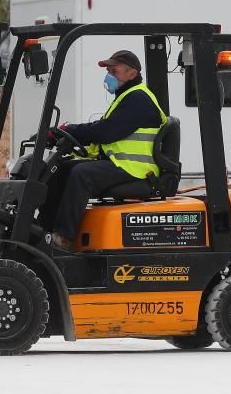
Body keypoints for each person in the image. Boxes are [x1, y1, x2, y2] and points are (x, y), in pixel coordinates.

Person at [39, 50, 168, 251]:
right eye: (108, 71)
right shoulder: (125, 96)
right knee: (59, 170)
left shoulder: (138, 99)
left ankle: (62, 238)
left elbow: (106, 132)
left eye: (114, 71)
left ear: (132, 74)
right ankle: (43, 231)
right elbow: (103, 130)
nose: (109, 76)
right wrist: (65, 135)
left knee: (82, 175)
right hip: (120, 164)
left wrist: (68, 130)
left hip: (137, 170)